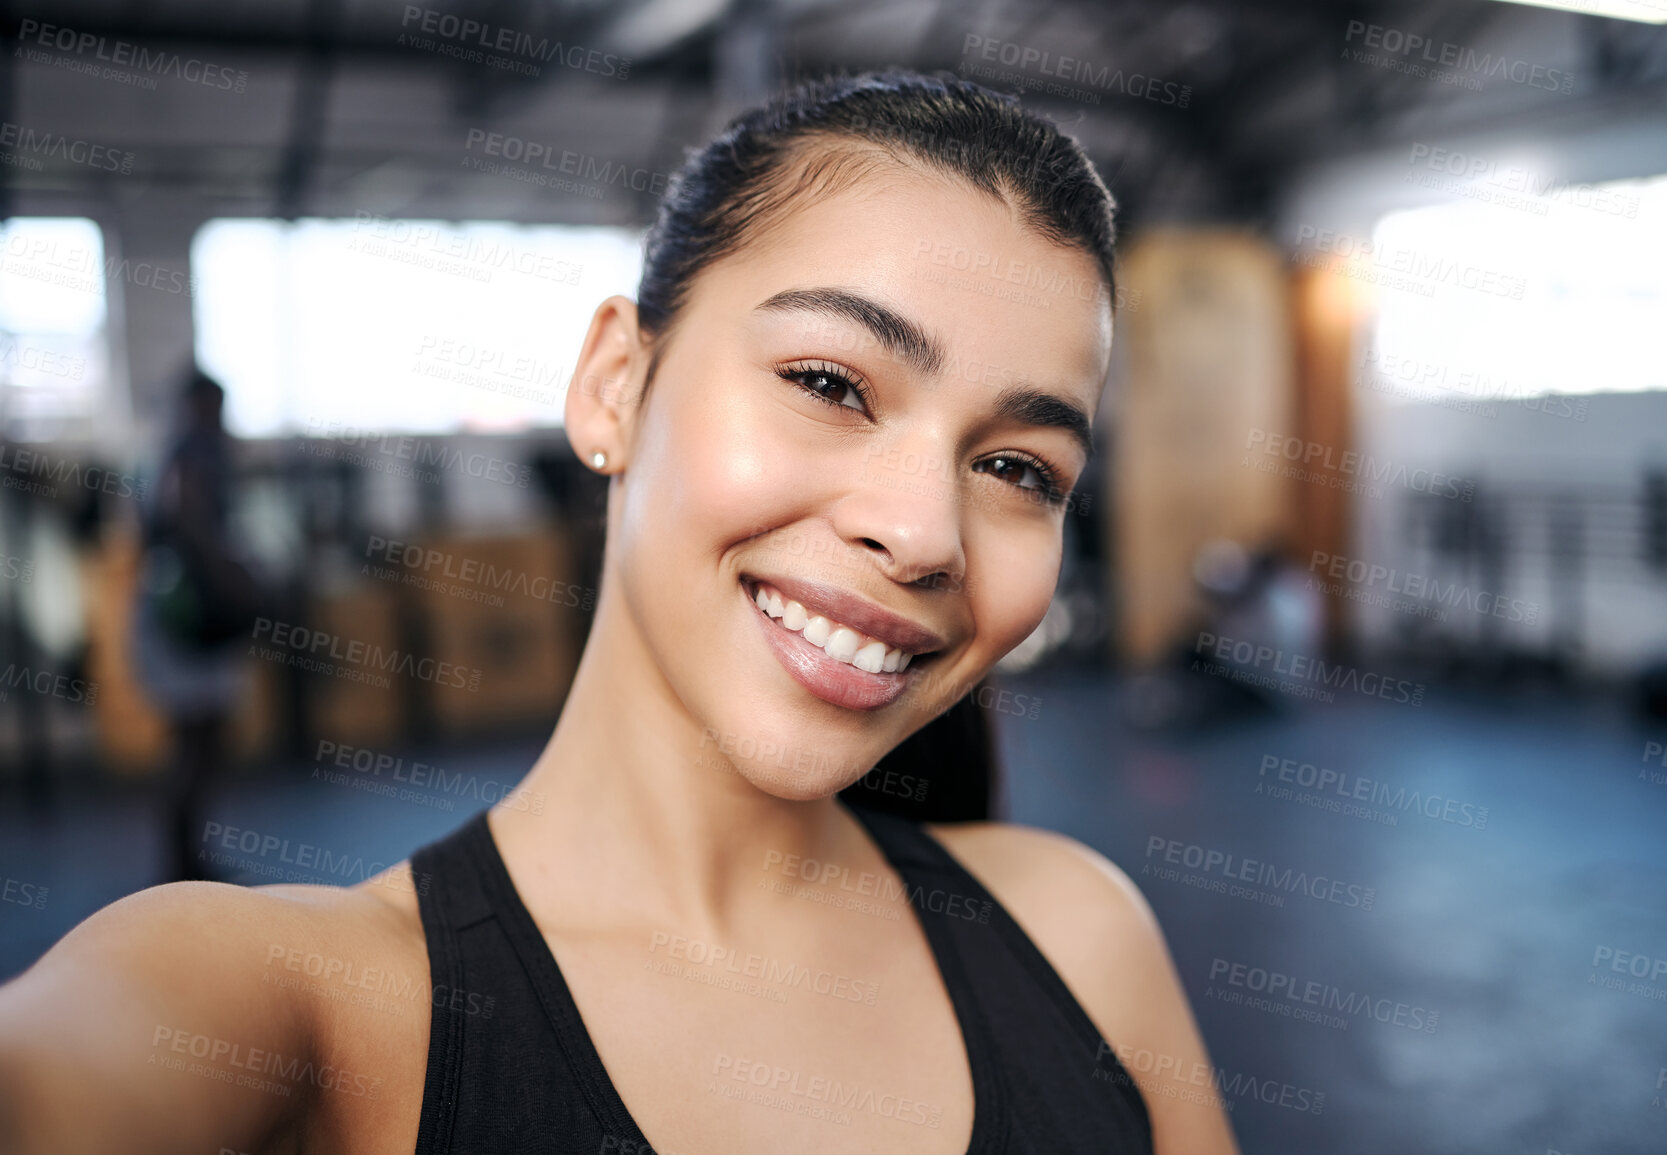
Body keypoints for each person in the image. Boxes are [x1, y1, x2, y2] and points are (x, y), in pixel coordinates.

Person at [0, 71, 1238, 1154]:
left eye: (1019, 469)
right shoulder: (311, 1008)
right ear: (614, 389)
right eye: (828, 383)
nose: (921, 534)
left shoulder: (1079, 938)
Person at [130, 367, 264, 882]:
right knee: (195, 738)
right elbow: (189, 520)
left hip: (182, 613)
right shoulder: (190, 455)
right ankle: (181, 864)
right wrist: (236, 581)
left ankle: (187, 859)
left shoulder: (172, 454)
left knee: (201, 738)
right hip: (183, 619)